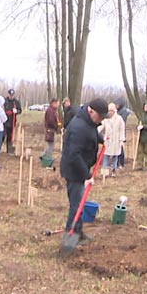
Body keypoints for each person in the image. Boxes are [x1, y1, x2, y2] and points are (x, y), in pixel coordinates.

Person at [60, 98, 109, 243]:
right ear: (91, 111)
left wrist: (100, 139)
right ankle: (69, 240)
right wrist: (87, 176)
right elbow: (74, 155)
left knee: (80, 203)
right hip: (74, 171)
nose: (100, 120)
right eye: (100, 116)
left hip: (80, 169)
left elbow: (91, 132)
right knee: (76, 206)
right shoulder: (79, 127)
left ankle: (78, 232)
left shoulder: (88, 121)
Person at [99, 103, 125, 177]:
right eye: (109, 111)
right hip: (108, 140)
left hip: (116, 140)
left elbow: (122, 129)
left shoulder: (119, 119)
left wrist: (121, 140)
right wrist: (96, 131)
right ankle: (104, 171)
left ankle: (114, 170)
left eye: (111, 111)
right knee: (106, 155)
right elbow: (101, 126)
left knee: (115, 156)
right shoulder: (106, 119)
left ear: (114, 111)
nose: (110, 112)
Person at [3, 89, 22, 154]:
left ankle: (9, 150)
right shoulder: (4, 101)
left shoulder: (16, 102)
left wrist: (17, 111)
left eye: (12, 95)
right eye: (10, 95)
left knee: (10, 136)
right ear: (8, 94)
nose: (11, 96)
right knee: (2, 135)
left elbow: (20, 110)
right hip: (4, 121)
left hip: (12, 122)